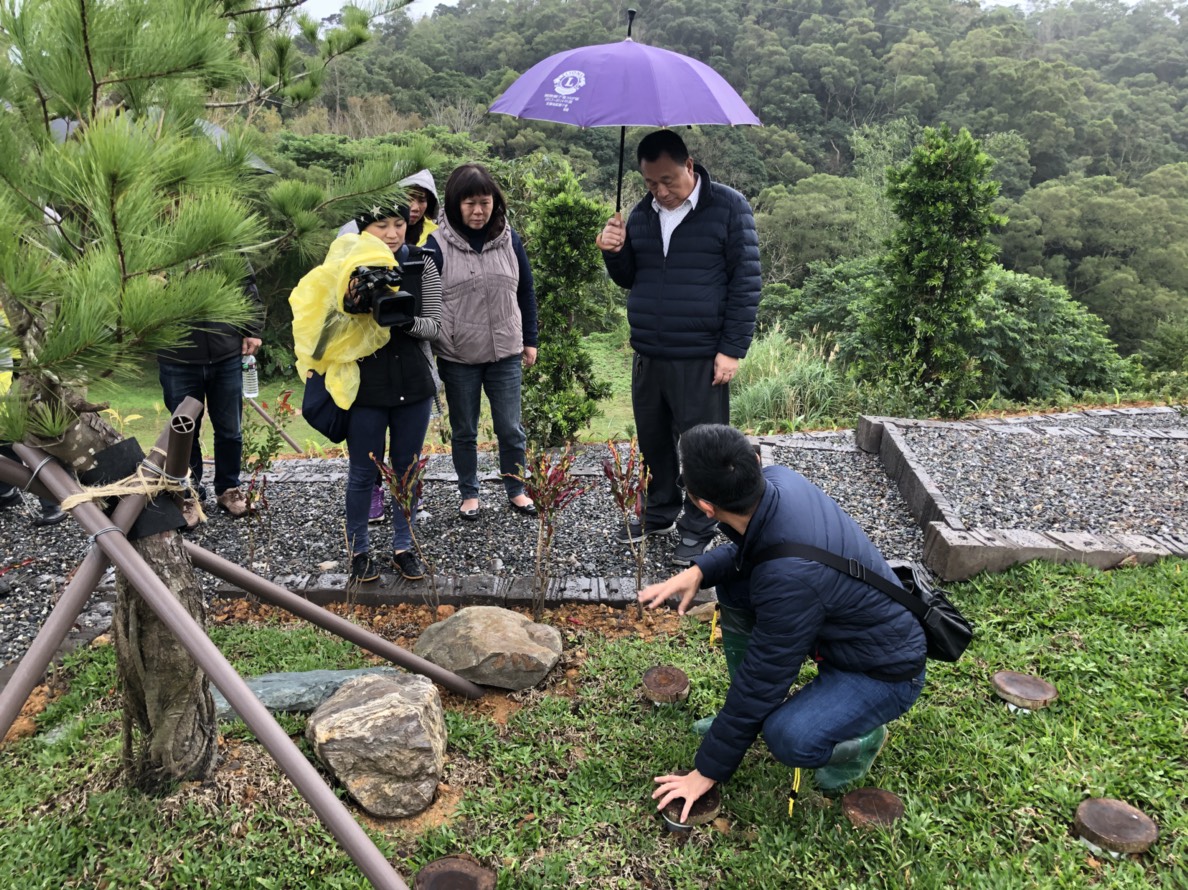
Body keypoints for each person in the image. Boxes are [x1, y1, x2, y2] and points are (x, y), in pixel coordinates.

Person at [639, 424, 927, 823]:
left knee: (788, 737)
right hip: (841, 631)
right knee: (735, 589)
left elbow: (763, 678)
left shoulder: (789, 578)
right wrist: (700, 571)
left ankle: (862, 738)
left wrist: (707, 770)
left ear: (703, 506)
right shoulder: (779, 480)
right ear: (754, 463)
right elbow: (758, 549)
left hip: (883, 671)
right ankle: (742, 722)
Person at [598, 129, 762, 566]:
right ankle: (660, 511)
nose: (661, 191)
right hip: (649, 352)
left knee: (703, 449)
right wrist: (613, 251)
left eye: (668, 180)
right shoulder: (640, 213)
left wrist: (732, 349)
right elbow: (631, 276)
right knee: (654, 443)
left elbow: (746, 284)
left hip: (701, 355)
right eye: (651, 183)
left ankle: (698, 525)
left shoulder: (728, 207)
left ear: (689, 166)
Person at [306, 202, 443, 583]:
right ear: (364, 229)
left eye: (399, 224)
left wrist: (402, 319)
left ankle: (404, 547)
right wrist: (352, 303)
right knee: (362, 472)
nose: (393, 233)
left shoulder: (422, 264)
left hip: (413, 384)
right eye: (382, 225)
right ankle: (359, 551)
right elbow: (324, 329)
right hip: (364, 386)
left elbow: (436, 325)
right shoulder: (344, 268)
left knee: (407, 470)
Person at [425, 164, 538, 520]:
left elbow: (526, 290)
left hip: (505, 350)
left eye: (484, 202)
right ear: (455, 204)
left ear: (495, 203)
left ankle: (516, 488)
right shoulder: (436, 243)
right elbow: (427, 299)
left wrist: (530, 339)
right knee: (465, 429)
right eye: (470, 203)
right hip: (458, 355)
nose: (478, 211)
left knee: (510, 427)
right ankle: (469, 493)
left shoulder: (509, 238)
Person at [156, 273, 264, 523]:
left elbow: (247, 285)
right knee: (184, 432)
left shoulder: (225, 243)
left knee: (230, 429)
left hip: (226, 352)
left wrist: (252, 329)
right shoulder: (156, 239)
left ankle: (229, 489)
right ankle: (188, 495)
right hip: (177, 356)